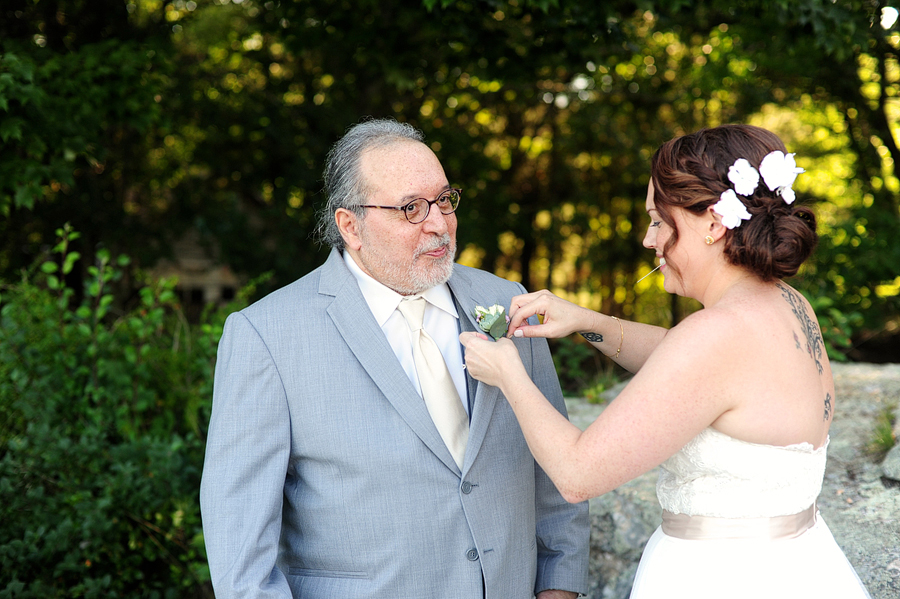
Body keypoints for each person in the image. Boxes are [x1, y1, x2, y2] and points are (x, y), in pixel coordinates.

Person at [460, 124, 872, 598]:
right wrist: (583, 320)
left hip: (720, 579)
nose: (648, 240)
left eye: (658, 221)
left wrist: (509, 374)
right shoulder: (787, 304)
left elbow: (577, 475)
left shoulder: (715, 334)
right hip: (799, 565)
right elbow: (685, 366)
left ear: (714, 224)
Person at [199, 118, 590, 599]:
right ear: (351, 225)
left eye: (444, 200)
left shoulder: (508, 302)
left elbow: (555, 476)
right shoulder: (267, 336)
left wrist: (559, 591)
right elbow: (241, 552)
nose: (439, 223)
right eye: (411, 208)